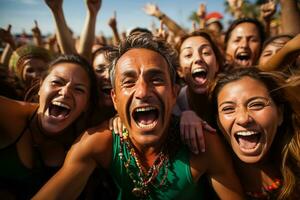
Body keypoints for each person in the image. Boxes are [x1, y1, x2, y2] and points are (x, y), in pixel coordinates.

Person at [33, 32, 244, 200]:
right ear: (114, 99)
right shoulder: (99, 143)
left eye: (156, 79)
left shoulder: (203, 144)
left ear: (173, 92)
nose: (142, 92)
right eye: (128, 82)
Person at [0, 54, 98, 199]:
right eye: (57, 82)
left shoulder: (89, 136)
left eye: (79, 89)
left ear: (87, 105)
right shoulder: (7, 114)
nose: (65, 92)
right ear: (40, 87)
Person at [210, 67, 300, 199]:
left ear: (279, 114)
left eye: (256, 105)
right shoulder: (209, 166)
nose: (243, 119)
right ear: (218, 122)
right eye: (228, 109)